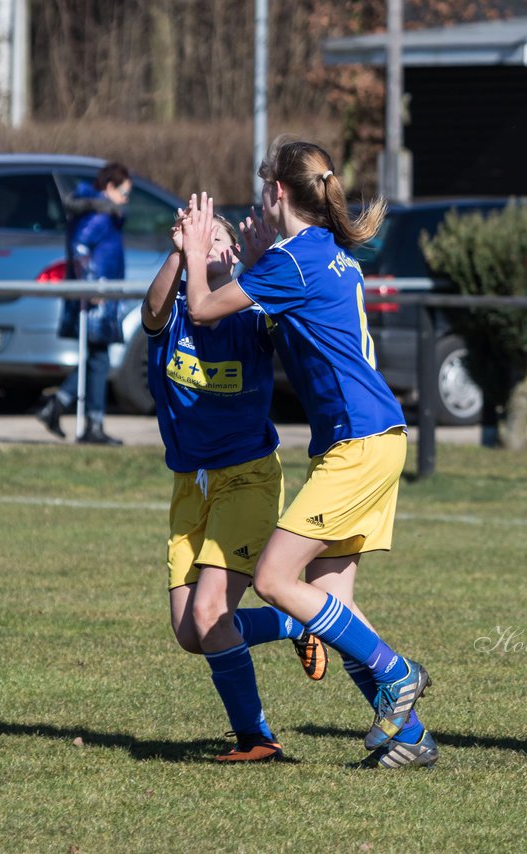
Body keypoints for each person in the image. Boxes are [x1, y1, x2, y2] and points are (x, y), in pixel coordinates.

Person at [179, 136, 436, 769]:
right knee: (333, 604)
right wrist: (259, 261)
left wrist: (193, 254)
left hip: (358, 443)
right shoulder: (325, 254)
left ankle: (396, 673)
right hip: (373, 439)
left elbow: (205, 308)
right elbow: (281, 324)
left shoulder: (291, 261)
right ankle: (409, 737)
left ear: (275, 194)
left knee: (272, 580)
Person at [143, 207, 328, 762]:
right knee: (190, 633)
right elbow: (151, 308)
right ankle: (295, 620)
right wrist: (183, 251)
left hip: (247, 476)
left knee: (209, 616)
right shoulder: (172, 314)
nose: (210, 244)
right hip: (189, 484)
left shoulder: (252, 316)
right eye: (203, 236)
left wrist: (260, 257)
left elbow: (284, 313)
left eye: (219, 236)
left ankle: (257, 738)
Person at [36, 162, 133, 446]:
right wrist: (91, 284)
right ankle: (87, 421)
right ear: (109, 187)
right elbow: (79, 246)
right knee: (98, 358)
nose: (127, 199)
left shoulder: (101, 213)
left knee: (96, 358)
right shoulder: (99, 215)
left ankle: (60, 406)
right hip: (95, 298)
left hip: (99, 295)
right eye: (124, 192)